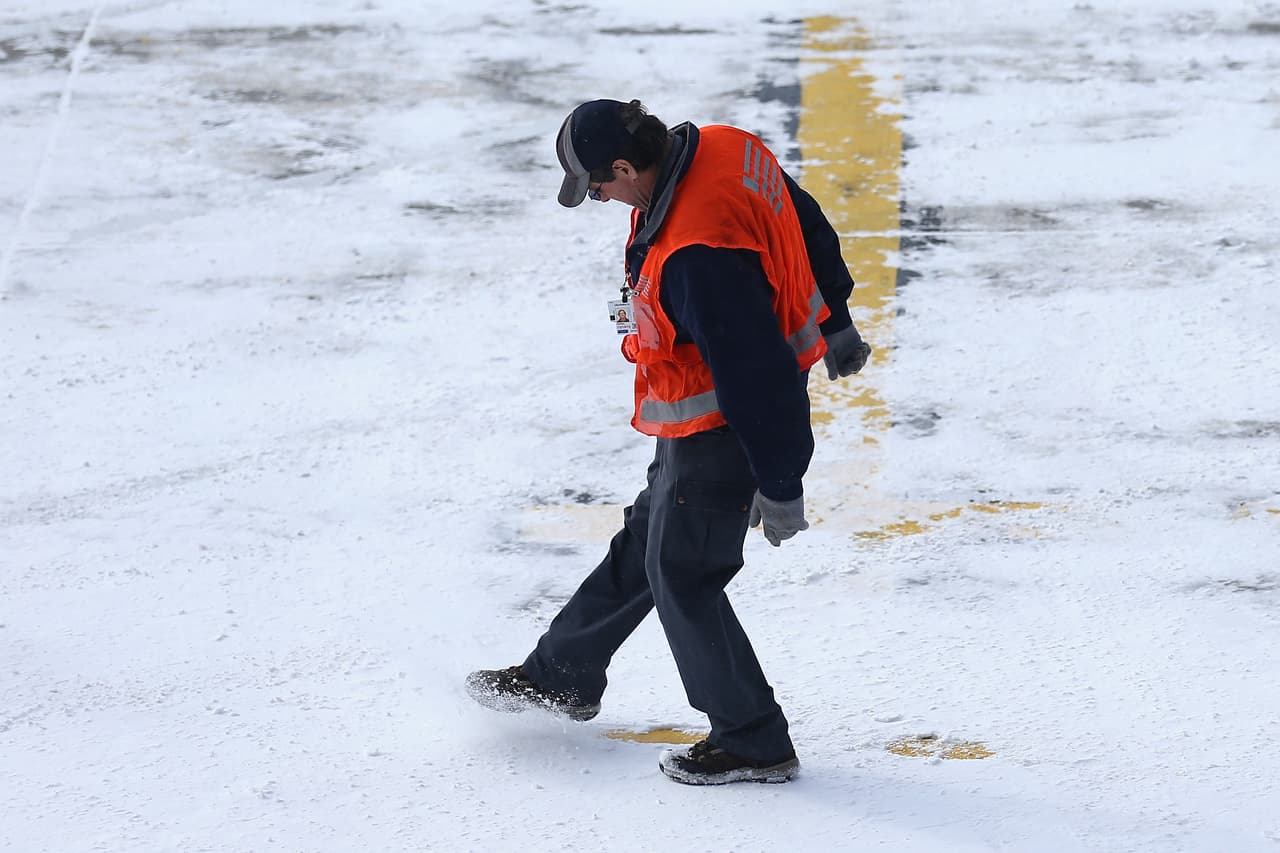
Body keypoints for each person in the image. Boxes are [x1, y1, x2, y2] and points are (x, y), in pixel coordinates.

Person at [466, 99, 871, 785]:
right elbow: (801, 218)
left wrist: (779, 481)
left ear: (626, 167)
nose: (597, 197)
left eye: (597, 185)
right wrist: (833, 313)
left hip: (724, 430)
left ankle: (752, 738)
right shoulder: (724, 145)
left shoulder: (696, 255)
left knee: (684, 575)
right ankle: (560, 674)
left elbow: (756, 374)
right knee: (645, 543)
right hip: (695, 425)